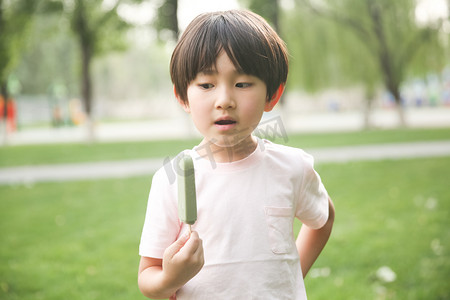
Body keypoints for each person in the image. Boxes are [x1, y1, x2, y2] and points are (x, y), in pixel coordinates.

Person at [138, 10, 335, 299]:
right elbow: (148, 278)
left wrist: (292, 280)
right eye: (206, 85)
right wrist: (170, 277)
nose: (225, 101)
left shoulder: (292, 167)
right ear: (182, 96)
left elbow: (323, 218)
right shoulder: (173, 179)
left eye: (242, 84)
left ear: (272, 95)